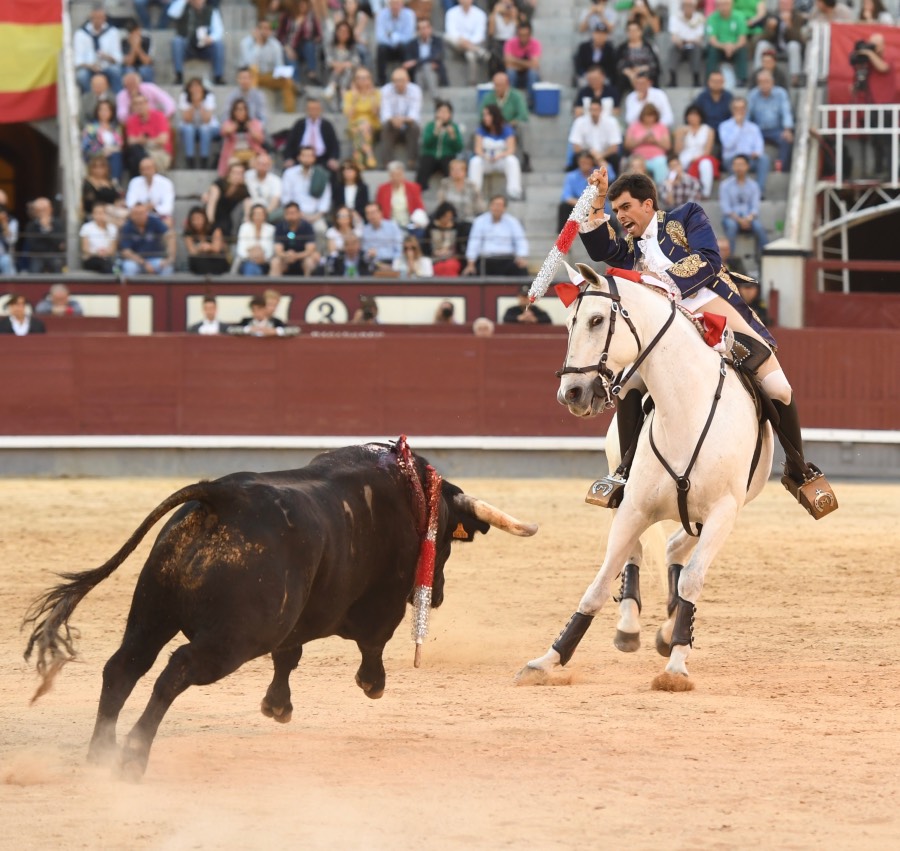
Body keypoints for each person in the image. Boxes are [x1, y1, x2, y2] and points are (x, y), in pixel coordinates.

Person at [578, 167, 836, 511]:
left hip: (711, 306)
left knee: (779, 389)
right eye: (615, 210)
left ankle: (799, 470)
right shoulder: (630, 246)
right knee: (627, 387)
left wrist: (659, 279)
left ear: (647, 204)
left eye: (625, 207)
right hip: (667, 326)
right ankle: (624, 472)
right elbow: (598, 249)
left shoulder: (686, 216)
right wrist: (596, 198)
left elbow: (709, 260)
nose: (620, 216)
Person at [464, 194, 529, 277]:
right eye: (494, 205)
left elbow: (521, 241)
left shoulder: (513, 222)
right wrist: (470, 263)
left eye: (499, 205)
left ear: (504, 208)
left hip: (507, 259)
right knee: (471, 273)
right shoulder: (479, 221)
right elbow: (474, 242)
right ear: (490, 206)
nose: (496, 208)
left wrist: (521, 257)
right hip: (486, 260)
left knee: (522, 271)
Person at [468, 104, 523, 202]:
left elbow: (511, 149)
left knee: (512, 161)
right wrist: (486, 156)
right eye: (484, 115)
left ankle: (514, 191)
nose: (485, 118)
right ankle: (474, 193)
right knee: (475, 161)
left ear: (495, 116)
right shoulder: (481, 130)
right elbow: (478, 149)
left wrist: (499, 156)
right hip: (486, 160)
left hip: (501, 159)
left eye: (487, 115)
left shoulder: (507, 129)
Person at [240, 18, 295, 114]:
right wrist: (258, 44)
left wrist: (282, 73)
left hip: (268, 76)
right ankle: (252, 111)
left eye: (268, 29)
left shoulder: (276, 45)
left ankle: (289, 113)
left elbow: (279, 66)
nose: (265, 31)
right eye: (263, 28)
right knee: (253, 69)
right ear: (257, 29)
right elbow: (247, 64)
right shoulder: (245, 43)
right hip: (249, 76)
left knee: (287, 81)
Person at [481, 71, 532, 174]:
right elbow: (481, 115)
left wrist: (510, 123)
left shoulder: (516, 96)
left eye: (500, 85)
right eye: (495, 85)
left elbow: (523, 115)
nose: (497, 88)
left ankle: (525, 158)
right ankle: (478, 154)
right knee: (478, 130)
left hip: (510, 126)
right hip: (492, 127)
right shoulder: (488, 97)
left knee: (524, 127)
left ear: (507, 84)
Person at [718, 96, 770, 197]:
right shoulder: (724, 126)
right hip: (732, 159)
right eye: (736, 108)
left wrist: (756, 152)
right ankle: (736, 193)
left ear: (746, 110)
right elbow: (727, 145)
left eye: (742, 108)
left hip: (749, 159)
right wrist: (738, 126)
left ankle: (758, 192)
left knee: (764, 159)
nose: (739, 111)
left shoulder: (753, 127)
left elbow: (759, 145)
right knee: (735, 162)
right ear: (732, 110)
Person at [719, 154, 768, 259]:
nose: (739, 168)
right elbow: (726, 208)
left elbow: (755, 207)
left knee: (759, 227)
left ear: (747, 166)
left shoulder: (754, 185)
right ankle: (728, 260)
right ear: (732, 167)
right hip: (732, 218)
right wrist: (739, 220)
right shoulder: (725, 185)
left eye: (741, 164)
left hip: (749, 217)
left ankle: (765, 258)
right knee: (731, 226)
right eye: (736, 165)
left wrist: (748, 218)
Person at [168, 0, 226, 85]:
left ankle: (218, 76)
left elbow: (219, 31)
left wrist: (210, 38)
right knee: (177, 41)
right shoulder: (183, 9)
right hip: (187, 47)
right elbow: (171, 13)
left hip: (205, 47)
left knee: (219, 45)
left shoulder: (212, 11)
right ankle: (179, 75)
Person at [747, 70, 794, 172]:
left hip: (776, 129)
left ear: (772, 82)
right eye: (761, 82)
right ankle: (749, 167)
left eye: (766, 81)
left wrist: (787, 129)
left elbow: (786, 112)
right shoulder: (753, 95)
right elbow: (747, 114)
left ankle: (781, 167)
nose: (763, 84)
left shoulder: (781, 93)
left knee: (786, 139)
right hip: (757, 130)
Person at [281, 146, 332, 239]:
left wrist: (316, 216)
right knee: (290, 233)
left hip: (315, 215)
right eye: (304, 155)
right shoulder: (289, 173)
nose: (307, 158)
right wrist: (298, 214)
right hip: (294, 214)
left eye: (310, 156)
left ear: (314, 158)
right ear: (299, 157)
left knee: (321, 229)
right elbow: (286, 197)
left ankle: (318, 253)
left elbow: (326, 199)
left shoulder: (322, 175)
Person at [283, 98, 341, 174]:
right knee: (289, 170)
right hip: (301, 159)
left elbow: (334, 144)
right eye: (311, 108)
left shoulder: (327, 125)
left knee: (333, 171)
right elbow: (290, 143)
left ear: (321, 110)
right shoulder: (299, 124)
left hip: (322, 159)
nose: (313, 111)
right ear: (306, 110)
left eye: (316, 108)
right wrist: (288, 158)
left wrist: (333, 158)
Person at [379, 68, 422, 170]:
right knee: (386, 127)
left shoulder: (415, 90)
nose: (398, 83)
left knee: (415, 127)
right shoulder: (385, 90)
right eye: (395, 81)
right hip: (392, 125)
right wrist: (394, 120)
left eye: (401, 80)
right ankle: (387, 162)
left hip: (408, 124)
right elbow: (385, 113)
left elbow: (414, 114)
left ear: (408, 80)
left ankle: (412, 161)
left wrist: (402, 120)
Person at [74, 5, 123, 94]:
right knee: (81, 76)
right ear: (91, 18)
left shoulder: (113, 32)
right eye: (95, 18)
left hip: (107, 66)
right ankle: (90, 99)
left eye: (101, 18)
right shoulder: (81, 34)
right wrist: (91, 66)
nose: (98, 20)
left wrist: (107, 57)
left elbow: (118, 57)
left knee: (116, 71)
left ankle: (118, 98)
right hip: (89, 67)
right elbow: (78, 60)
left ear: (105, 18)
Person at [674, 104, 719, 198]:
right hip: (684, 158)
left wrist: (696, 159)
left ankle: (705, 193)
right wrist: (681, 135)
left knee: (706, 164)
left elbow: (707, 151)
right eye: (691, 115)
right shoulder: (681, 129)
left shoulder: (708, 130)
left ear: (701, 117)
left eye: (696, 115)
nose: (693, 118)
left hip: (701, 157)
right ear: (686, 117)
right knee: (677, 166)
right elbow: (677, 151)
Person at [416, 100, 464, 189]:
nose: (443, 114)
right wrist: (435, 132)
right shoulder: (430, 126)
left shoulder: (454, 127)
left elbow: (459, 148)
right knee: (423, 166)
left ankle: (451, 191)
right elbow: (426, 144)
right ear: (436, 113)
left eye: (446, 112)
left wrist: (453, 136)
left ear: (450, 114)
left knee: (450, 166)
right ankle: (420, 191)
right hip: (430, 155)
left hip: (447, 156)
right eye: (440, 111)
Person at [118, 202, 174, 275]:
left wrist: (170, 258)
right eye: (136, 214)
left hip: (155, 258)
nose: (140, 216)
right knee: (129, 267)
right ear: (131, 216)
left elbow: (170, 235)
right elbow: (126, 252)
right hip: (135, 260)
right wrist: (144, 263)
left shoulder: (154, 221)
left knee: (167, 268)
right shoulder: (127, 227)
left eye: (142, 213)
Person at [276, 0, 322, 88]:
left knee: (309, 44)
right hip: (287, 46)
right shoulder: (286, 17)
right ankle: (296, 84)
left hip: (302, 47)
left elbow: (318, 35)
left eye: (304, 3)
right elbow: (280, 35)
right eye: (300, 3)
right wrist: (287, 48)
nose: (302, 5)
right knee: (290, 58)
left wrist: (306, 24)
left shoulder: (311, 18)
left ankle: (312, 73)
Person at [124, 92, 173, 174]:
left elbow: (163, 140)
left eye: (141, 103)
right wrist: (149, 140)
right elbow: (130, 141)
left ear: (147, 104)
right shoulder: (131, 120)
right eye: (136, 104)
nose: (139, 106)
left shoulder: (159, 116)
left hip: (158, 152)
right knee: (134, 151)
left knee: (135, 153)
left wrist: (144, 141)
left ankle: (137, 180)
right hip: (140, 151)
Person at [568, 97, 622, 171]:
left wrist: (600, 156)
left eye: (596, 109)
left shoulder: (612, 122)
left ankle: (614, 181)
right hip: (587, 154)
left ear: (601, 110)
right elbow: (576, 147)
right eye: (592, 109)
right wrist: (591, 154)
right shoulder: (579, 122)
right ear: (589, 110)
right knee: (575, 157)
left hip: (605, 155)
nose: (594, 112)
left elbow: (614, 147)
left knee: (615, 158)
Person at [342, 67, 381, 170]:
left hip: (372, 125)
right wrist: (355, 98)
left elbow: (376, 113)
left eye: (365, 78)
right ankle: (369, 153)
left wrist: (372, 96)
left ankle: (358, 160)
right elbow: (349, 115)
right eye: (359, 78)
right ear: (355, 80)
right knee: (361, 126)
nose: (362, 81)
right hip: (354, 125)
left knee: (363, 126)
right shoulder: (349, 94)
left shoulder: (376, 93)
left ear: (370, 79)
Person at [624, 103, 672, 185]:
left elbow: (668, 146)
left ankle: (661, 188)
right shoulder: (634, 126)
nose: (649, 118)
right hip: (638, 157)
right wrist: (642, 140)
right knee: (636, 164)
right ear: (642, 116)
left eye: (651, 116)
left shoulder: (661, 127)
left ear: (656, 116)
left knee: (661, 163)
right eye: (647, 116)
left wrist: (655, 141)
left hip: (656, 157)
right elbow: (627, 145)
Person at [444, 0, 490, 87]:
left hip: (472, 43)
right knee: (447, 37)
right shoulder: (451, 12)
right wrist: (462, 40)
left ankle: (471, 82)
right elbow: (451, 31)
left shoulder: (480, 14)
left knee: (471, 56)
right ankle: (479, 51)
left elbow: (480, 34)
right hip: (456, 45)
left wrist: (467, 42)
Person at [177, 77, 219, 170]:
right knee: (188, 129)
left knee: (204, 129)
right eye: (193, 86)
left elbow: (206, 119)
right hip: (191, 127)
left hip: (209, 127)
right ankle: (190, 160)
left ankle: (204, 159)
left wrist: (200, 104)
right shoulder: (184, 96)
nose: (195, 89)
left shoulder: (209, 96)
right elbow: (187, 119)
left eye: (198, 86)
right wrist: (193, 103)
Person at [402, 17, 448, 100]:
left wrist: (416, 62)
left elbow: (436, 56)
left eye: (426, 28)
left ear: (431, 29)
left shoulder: (437, 41)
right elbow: (408, 62)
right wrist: (419, 63)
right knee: (422, 70)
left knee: (426, 67)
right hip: (418, 71)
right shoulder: (412, 44)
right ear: (417, 31)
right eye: (421, 28)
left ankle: (420, 98)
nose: (424, 31)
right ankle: (433, 97)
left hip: (435, 72)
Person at [705, 0, 749, 86]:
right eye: (721, 5)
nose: (724, 7)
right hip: (719, 47)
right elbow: (712, 40)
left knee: (742, 49)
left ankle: (741, 79)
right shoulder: (712, 18)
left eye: (726, 4)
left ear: (732, 5)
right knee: (712, 50)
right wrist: (725, 46)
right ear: (717, 6)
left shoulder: (739, 16)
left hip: (735, 46)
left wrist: (733, 47)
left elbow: (742, 39)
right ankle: (710, 78)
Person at [438, 158, 484, 237]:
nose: (455, 172)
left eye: (458, 170)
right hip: (450, 219)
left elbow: (479, 206)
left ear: (465, 171)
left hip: (469, 219)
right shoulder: (445, 184)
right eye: (453, 169)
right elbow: (441, 204)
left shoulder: (472, 185)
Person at [271, 202, 320, 276]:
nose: (291, 215)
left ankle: (308, 286)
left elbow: (310, 250)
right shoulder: (280, 227)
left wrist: (296, 256)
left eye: (293, 213)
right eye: (288, 213)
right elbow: (278, 250)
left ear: (299, 213)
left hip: (302, 259)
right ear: (285, 215)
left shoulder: (307, 227)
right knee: (275, 262)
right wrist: (286, 256)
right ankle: (274, 287)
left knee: (309, 261)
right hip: (285, 260)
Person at [374, 0, 416, 86]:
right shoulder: (381, 14)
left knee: (404, 47)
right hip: (387, 47)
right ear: (389, 5)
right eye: (393, 4)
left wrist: (393, 36)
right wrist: (394, 40)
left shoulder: (409, 14)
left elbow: (409, 36)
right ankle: (381, 80)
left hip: (403, 47)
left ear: (402, 5)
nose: (395, 7)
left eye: (397, 4)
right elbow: (380, 37)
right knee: (381, 48)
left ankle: (409, 79)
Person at [82, 100, 125, 182]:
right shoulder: (90, 128)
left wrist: (111, 150)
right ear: (97, 112)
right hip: (97, 156)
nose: (104, 112)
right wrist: (101, 152)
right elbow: (86, 147)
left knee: (116, 155)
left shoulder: (116, 128)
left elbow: (120, 145)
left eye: (107, 110)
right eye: (101, 110)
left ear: (111, 112)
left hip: (114, 155)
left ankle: (115, 181)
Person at [324, 19, 364, 107]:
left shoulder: (352, 47)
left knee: (348, 68)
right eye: (341, 31)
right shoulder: (330, 46)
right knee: (342, 68)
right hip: (332, 72)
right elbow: (329, 61)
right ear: (336, 32)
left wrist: (342, 65)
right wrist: (342, 65)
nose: (343, 33)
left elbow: (356, 62)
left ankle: (334, 86)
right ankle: (342, 90)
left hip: (348, 76)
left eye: (346, 31)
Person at [205, 162, 249, 238]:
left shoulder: (243, 189)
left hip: (227, 218)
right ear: (229, 173)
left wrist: (246, 221)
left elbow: (248, 204)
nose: (237, 176)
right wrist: (210, 223)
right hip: (214, 216)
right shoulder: (219, 184)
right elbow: (211, 205)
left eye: (240, 173)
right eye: (235, 172)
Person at [667, 0, 706, 88]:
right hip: (680, 45)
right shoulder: (675, 18)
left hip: (694, 46)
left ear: (694, 7)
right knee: (672, 50)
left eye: (690, 6)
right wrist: (680, 42)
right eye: (686, 6)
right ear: (682, 7)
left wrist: (686, 41)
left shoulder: (699, 18)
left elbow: (699, 38)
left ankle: (696, 79)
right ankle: (672, 78)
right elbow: (674, 36)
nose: (688, 8)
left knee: (696, 50)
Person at [615, 18, 660, 92]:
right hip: (628, 75)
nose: (632, 33)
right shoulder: (622, 48)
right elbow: (619, 64)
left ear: (640, 32)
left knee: (650, 78)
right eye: (630, 31)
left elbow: (654, 64)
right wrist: (630, 73)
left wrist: (640, 69)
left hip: (645, 72)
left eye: (635, 30)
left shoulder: (648, 46)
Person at [22, 198, 65, 275]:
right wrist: (47, 237)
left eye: (45, 209)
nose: (43, 212)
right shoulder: (31, 225)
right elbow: (32, 245)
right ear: (36, 212)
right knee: (35, 268)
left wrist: (47, 229)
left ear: (51, 209)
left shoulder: (58, 223)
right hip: (38, 255)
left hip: (53, 255)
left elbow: (59, 243)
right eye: (40, 210)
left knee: (57, 265)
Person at [125, 156, 175, 223]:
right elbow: (130, 203)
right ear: (140, 171)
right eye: (143, 169)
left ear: (155, 168)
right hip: (138, 215)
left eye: (148, 168)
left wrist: (154, 208)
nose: (146, 171)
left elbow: (168, 207)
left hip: (159, 216)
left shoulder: (166, 183)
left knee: (168, 221)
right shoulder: (134, 182)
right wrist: (144, 208)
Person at [503, 21, 541, 108]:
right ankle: (511, 102)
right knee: (510, 72)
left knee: (533, 73)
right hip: (515, 74)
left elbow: (535, 65)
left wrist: (515, 62)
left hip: (529, 76)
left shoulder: (535, 43)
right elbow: (507, 62)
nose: (523, 38)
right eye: (521, 35)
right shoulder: (510, 43)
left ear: (530, 34)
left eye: (525, 35)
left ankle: (530, 103)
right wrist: (527, 64)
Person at [183, 206, 229, 275]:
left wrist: (209, 247)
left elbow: (217, 248)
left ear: (204, 218)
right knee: (198, 261)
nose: (196, 222)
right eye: (193, 219)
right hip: (198, 263)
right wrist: (199, 248)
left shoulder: (215, 229)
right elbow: (192, 251)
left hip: (214, 260)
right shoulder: (188, 233)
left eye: (199, 218)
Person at [361, 202, 404, 270]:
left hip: (392, 262)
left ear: (380, 212)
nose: (371, 216)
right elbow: (365, 254)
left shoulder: (392, 227)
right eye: (368, 213)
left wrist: (392, 265)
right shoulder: (365, 231)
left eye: (373, 212)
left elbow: (399, 249)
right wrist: (372, 257)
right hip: (374, 264)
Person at [235, 204, 276, 276]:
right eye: (256, 214)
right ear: (252, 215)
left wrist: (260, 255)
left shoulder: (271, 229)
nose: (258, 216)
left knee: (255, 268)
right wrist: (252, 256)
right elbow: (241, 250)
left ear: (265, 215)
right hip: (247, 261)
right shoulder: (244, 227)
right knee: (251, 267)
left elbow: (270, 250)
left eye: (260, 214)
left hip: (265, 263)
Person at [426, 201, 464, 277]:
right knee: (439, 267)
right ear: (440, 216)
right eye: (445, 217)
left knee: (450, 266)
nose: (448, 219)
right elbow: (426, 247)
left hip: (452, 257)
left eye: (450, 217)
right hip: (435, 258)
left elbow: (459, 248)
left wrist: (450, 253)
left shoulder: (457, 228)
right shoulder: (430, 228)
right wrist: (435, 252)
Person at [692, 69, 733, 136]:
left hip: (725, 133)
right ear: (708, 82)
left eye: (719, 81)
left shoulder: (729, 97)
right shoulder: (702, 97)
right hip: (705, 133)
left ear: (723, 82)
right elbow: (695, 114)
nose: (716, 83)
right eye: (714, 81)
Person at [79, 204, 119, 273]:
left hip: (108, 258)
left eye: (101, 213)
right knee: (104, 264)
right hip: (92, 258)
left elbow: (113, 250)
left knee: (112, 264)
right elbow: (85, 248)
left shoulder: (112, 228)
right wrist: (97, 253)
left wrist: (105, 252)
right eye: (96, 213)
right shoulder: (86, 227)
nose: (99, 216)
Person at [244, 152, 283, 221]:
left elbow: (275, 200)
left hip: (268, 210)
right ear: (255, 164)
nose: (261, 167)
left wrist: (263, 214)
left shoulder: (276, 180)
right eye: (259, 164)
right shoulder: (247, 175)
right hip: (249, 210)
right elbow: (244, 197)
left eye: (265, 164)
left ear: (270, 166)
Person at [121, 19, 154, 83]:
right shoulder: (124, 42)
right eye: (131, 32)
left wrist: (138, 48)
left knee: (144, 70)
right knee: (129, 71)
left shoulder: (147, 40)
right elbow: (128, 63)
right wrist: (133, 47)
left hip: (145, 67)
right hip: (130, 67)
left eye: (136, 31)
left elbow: (146, 62)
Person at [0, 201, 18, 276]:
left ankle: (10, 287)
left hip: (3, 255)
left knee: (7, 261)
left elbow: (11, 241)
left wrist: (4, 224)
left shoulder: (12, 221)